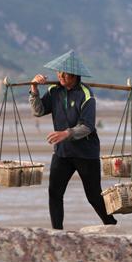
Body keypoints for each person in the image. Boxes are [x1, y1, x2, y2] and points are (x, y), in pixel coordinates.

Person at [29, 50, 117, 230]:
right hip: (62, 153)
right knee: (54, 193)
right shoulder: (54, 91)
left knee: (93, 196)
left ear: (75, 75)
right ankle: (57, 231)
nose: (60, 76)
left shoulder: (86, 95)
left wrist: (66, 133)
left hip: (86, 153)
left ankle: (111, 223)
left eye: (65, 73)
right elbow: (38, 111)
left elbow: (87, 126)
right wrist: (34, 90)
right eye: (58, 72)